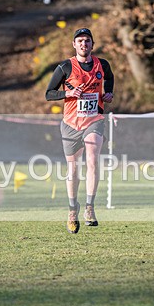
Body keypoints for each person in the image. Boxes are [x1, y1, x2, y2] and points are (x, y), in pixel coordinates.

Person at [46, 28, 114, 234]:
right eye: (80, 41)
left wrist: (108, 93)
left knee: (92, 160)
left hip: (94, 120)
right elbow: (49, 93)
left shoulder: (102, 65)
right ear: (74, 45)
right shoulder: (65, 67)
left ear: (92, 44)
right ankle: (72, 210)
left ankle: (90, 208)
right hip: (70, 124)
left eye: (87, 41)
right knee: (73, 168)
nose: (84, 44)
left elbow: (109, 78)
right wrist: (69, 92)